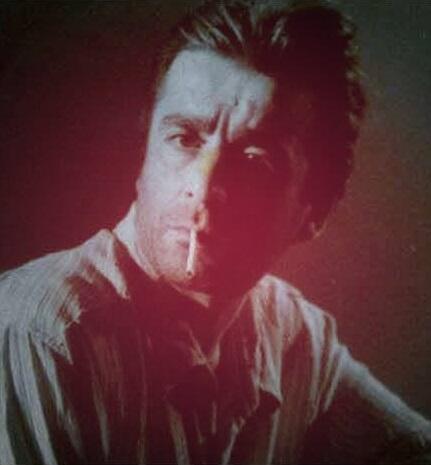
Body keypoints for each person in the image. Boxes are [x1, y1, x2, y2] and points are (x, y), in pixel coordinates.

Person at [1, 1, 430, 464]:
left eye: (255, 161)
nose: (203, 188)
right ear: (143, 152)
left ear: (315, 211)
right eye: (184, 138)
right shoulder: (43, 332)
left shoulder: (293, 332)